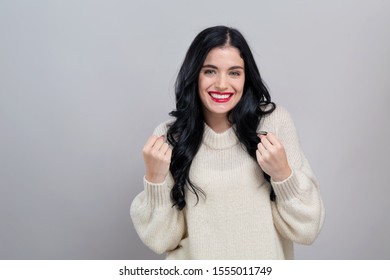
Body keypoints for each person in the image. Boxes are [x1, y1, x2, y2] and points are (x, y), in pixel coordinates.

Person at [130, 26, 325, 259]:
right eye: (210, 71)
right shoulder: (170, 137)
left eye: (234, 73)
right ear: (194, 75)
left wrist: (283, 174)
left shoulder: (273, 124)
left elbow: (307, 230)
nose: (222, 84)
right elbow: (162, 239)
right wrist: (155, 180)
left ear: (246, 77)